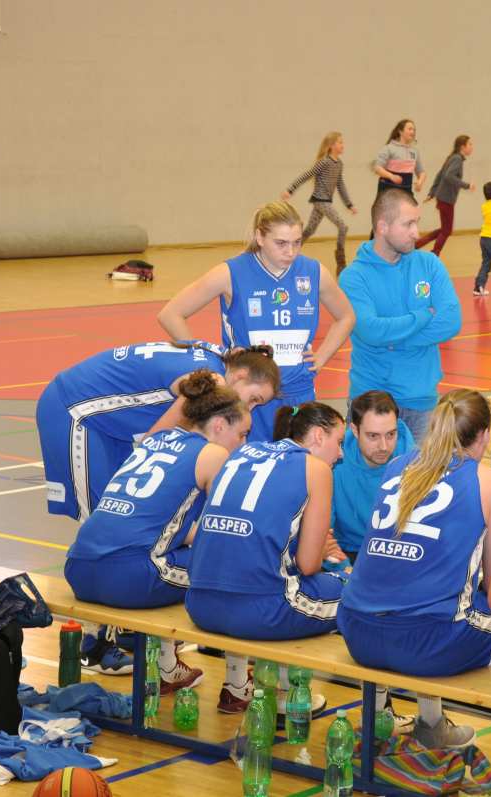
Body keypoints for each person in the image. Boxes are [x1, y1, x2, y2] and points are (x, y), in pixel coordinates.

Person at [338, 390, 491, 763]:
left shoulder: (398, 466)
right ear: (484, 435)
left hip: (356, 631)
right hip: (426, 643)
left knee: (432, 596)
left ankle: (427, 722)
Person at [65, 371, 250, 693]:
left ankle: (162, 663)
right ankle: (237, 684)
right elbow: (221, 535)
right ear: (220, 425)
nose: (243, 443)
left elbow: (168, 526)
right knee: (234, 573)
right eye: (243, 434)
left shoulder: (155, 440)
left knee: (179, 554)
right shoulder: (215, 454)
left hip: (78, 568)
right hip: (130, 577)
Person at [187, 402, 346, 714]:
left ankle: (237, 685)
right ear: (317, 435)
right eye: (338, 442)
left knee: (270, 575)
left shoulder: (242, 454)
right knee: (352, 595)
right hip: (261, 612)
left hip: (200, 605)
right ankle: (286, 694)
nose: (340, 453)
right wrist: (321, 550)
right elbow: (309, 565)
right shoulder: (316, 469)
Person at [156, 200, 356, 441]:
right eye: (281, 243)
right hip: (248, 400)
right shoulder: (231, 273)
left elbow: (346, 316)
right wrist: (208, 361)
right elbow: (171, 314)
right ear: (260, 237)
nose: (290, 252)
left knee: (296, 461)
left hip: (298, 392)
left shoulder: (314, 272)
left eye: (297, 242)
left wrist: (321, 358)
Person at [36, 340, 278, 522]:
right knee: (102, 519)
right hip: (74, 408)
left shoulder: (217, 357)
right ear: (241, 375)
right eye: (253, 399)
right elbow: (152, 444)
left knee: (119, 509)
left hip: (109, 423)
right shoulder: (214, 381)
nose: (249, 408)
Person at [340, 189, 461, 442]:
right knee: (366, 469)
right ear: (382, 227)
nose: (416, 232)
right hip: (370, 403)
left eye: (417, 222)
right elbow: (371, 330)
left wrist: (394, 341)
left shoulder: (430, 264)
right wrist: (422, 316)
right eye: (408, 224)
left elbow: (451, 321)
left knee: (420, 469)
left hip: (422, 403)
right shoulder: (353, 277)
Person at [331, 390, 416, 561]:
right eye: (373, 436)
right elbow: (324, 533)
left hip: (396, 550)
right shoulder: (334, 461)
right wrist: (342, 567)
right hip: (349, 551)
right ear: (355, 430)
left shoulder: (413, 461)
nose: (384, 446)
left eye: (391, 434)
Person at [283, 131, 357, 273]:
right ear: (331, 145)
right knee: (343, 226)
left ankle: (291, 251)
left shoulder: (339, 164)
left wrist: (349, 204)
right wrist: (290, 189)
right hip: (321, 201)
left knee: (310, 230)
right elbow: (307, 175)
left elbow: (340, 185)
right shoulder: (324, 162)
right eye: (340, 142)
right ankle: (341, 263)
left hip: (324, 201)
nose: (343, 145)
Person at [416, 135, 474, 257]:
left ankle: (418, 245)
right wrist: (467, 185)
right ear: (462, 147)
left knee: (445, 229)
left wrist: (432, 192)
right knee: (447, 230)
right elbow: (448, 176)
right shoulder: (457, 159)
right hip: (446, 199)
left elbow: (440, 174)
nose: (471, 147)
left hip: (443, 198)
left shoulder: (453, 157)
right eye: (470, 144)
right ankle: (434, 253)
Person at [373, 118, 426, 198]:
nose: (413, 132)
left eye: (414, 130)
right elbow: (377, 168)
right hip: (388, 191)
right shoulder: (388, 148)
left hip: (406, 191)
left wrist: (420, 182)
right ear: (400, 131)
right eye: (410, 129)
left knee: (412, 206)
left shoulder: (414, 152)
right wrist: (391, 176)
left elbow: (421, 172)